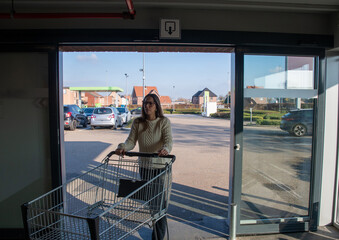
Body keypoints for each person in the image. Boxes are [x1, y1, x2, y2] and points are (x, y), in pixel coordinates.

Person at [115, 93, 173, 240]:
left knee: (160, 206)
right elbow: (130, 141)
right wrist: (122, 147)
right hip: (145, 168)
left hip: (160, 169)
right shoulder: (138, 122)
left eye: (150, 103)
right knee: (152, 205)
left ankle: (158, 237)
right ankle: (156, 232)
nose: (147, 106)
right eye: (145, 103)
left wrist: (165, 149)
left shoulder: (163, 122)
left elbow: (168, 141)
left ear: (157, 106)